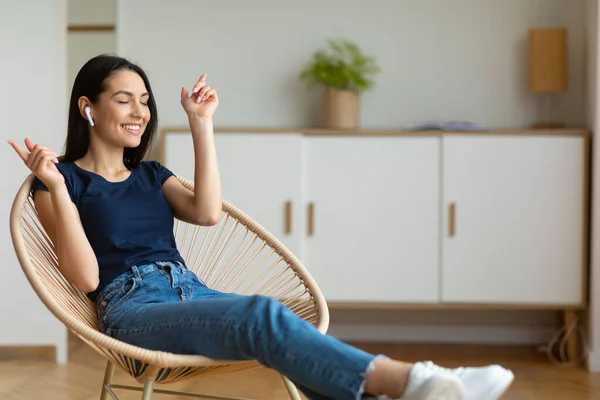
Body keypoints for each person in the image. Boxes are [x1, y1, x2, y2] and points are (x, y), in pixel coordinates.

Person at [9, 54, 514, 400]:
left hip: (190, 292)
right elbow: (86, 280)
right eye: (124, 99)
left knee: (267, 323)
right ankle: (417, 381)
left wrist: (201, 124)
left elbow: (208, 212)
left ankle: (397, 390)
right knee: (263, 316)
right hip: (132, 308)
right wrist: (55, 184)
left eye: (144, 100)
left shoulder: (151, 174)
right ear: (88, 107)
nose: (140, 111)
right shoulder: (60, 183)